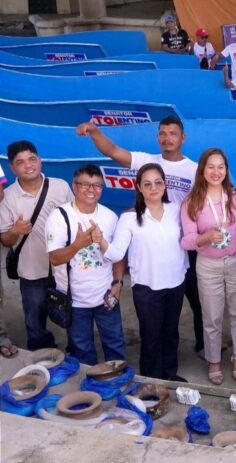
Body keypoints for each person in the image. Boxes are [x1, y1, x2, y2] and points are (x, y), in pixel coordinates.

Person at [76, 116, 205, 358]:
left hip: (186, 245)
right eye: (163, 133)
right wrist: (94, 131)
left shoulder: (195, 169)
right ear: (157, 137)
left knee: (197, 301)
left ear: (183, 138)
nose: (167, 138)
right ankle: (156, 363)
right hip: (152, 245)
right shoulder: (147, 161)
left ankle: (202, 346)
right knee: (157, 312)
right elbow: (113, 151)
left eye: (173, 133)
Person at [101, 164, 188, 381]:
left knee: (171, 332)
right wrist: (99, 240)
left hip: (176, 283)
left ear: (165, 184)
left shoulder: (176, 210)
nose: (153, 188)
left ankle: (169, 374)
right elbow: (116, 253)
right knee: (151, 336)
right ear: (139, 187)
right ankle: (151, 380)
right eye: (147, 184)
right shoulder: (129, 218)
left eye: (158, 182)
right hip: (146, 288)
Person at [180, 148, 236, 385]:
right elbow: (186, 240)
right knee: (211, 317)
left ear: (227, 170)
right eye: (211, 167)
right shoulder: (191, 201)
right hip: (208, 265)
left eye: (221, 167)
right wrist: (205, 238)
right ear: (202, 170)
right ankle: (214, 360)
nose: (216, 172)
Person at [45, 165, 125, 365]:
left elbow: (118, 256)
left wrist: (118, 283)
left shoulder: (109, 217)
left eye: (97, 185)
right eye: (85, 185)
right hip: (74, 300)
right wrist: (78, 244)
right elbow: (54, 258)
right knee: (82, 349)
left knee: (115, 344)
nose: (91, 189)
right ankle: (90, 389)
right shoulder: (59, 217)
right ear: (74, 187)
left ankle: (117, 382)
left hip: (106, 296)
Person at [0, 141, 73, 351]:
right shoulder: (8, 197)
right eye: (20, 162)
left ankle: (76, 351)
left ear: (39, 160)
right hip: (31, 270)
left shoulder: (60, 186)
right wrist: (15, 231)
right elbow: (6, 240)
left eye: (32, 159)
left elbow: (74, 220)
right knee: (34, 319)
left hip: (63, 267)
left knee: (71, 314)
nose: (28, 165)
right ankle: (41, 355)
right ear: (13, 168)